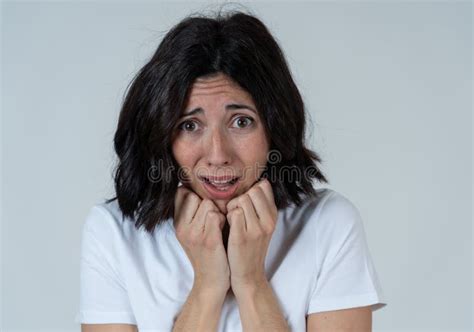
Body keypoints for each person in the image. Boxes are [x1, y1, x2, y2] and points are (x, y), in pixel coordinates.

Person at [75, 8, 387, 332]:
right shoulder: (113, 233)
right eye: (190, 125)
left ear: (274, 128)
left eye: (241, 121)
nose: (218, 154)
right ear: (162, 135)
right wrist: (207, 287)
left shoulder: (329, 223)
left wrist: (251, 282)